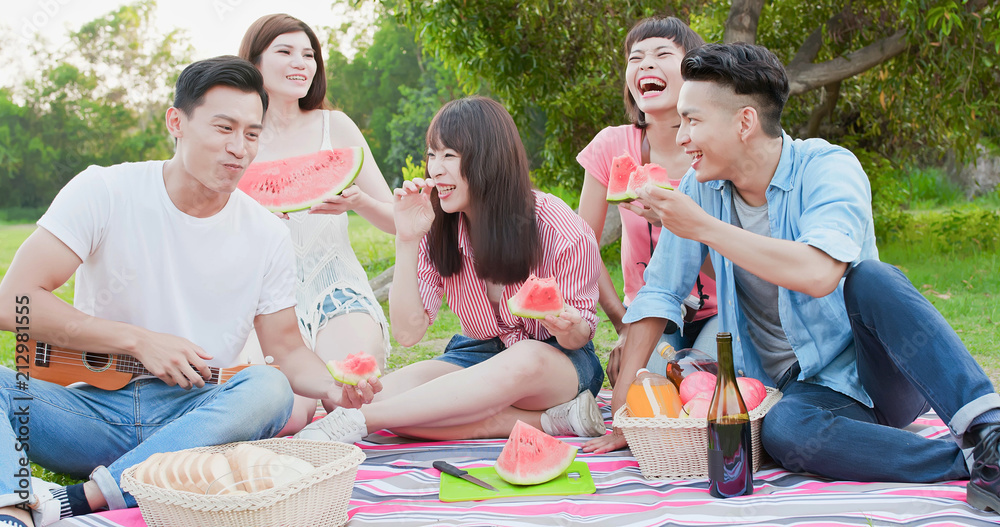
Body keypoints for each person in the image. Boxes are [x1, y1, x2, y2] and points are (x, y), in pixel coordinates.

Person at [595, 41, 1000, 512]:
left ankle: (988, 429)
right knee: (784, 431)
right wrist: (625, 415)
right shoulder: (701, 189)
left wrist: (702, 227)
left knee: (872, 278)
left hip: (877, 374)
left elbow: (819, 273)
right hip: (799, 390)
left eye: (693, 120)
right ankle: (968, 462)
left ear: (744, 122)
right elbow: (660, 293)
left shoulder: (828, 168)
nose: (681, 136)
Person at [0, 56, 377, 527]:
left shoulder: (266, 233)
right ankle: (12, 505)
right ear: (176, 122)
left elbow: (286, 347)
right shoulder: (105, 191)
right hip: (92, 411)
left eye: (252, 134)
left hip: (199, 419)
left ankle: (85, 498)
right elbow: (13, 300)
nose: (238, 148)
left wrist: (331, 390)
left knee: (269, 385)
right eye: (223, 128)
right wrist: (138, 340)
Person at [295, 96, 607, 443]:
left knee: (525, 356)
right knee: (383, 395)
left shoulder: (558, 226)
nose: (434, 169)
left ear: (488, 159)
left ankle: (362, 421)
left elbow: (580, 337)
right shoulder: (438, 228)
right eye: (432, 154)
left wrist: (568, 325)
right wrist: (407, 238)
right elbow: (407, 334)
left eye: (449, 156)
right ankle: (539, 422)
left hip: (556, 363)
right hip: (479, 352)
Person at [236, 14, 394, 435]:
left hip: (335, 291)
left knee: (354, 390)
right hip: (262, 304)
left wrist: (358, 202)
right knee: (284, 416)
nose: (301, 63)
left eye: (309, 54)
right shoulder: (238, 136)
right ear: (254, 64)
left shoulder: (335, 126)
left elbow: (396, 221)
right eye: (285, 52)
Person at [575, 16, 718, 387]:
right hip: (649, 309)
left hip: (722, 310)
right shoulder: (612, 145)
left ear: (694, 71)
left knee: (705, 389)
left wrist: (674, 223)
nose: (645, 64)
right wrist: (624, 321)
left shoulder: (718, 149)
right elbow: (582, 244)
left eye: (662, 53)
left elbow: (741, 260)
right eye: (635, 58)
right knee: (649, 393)